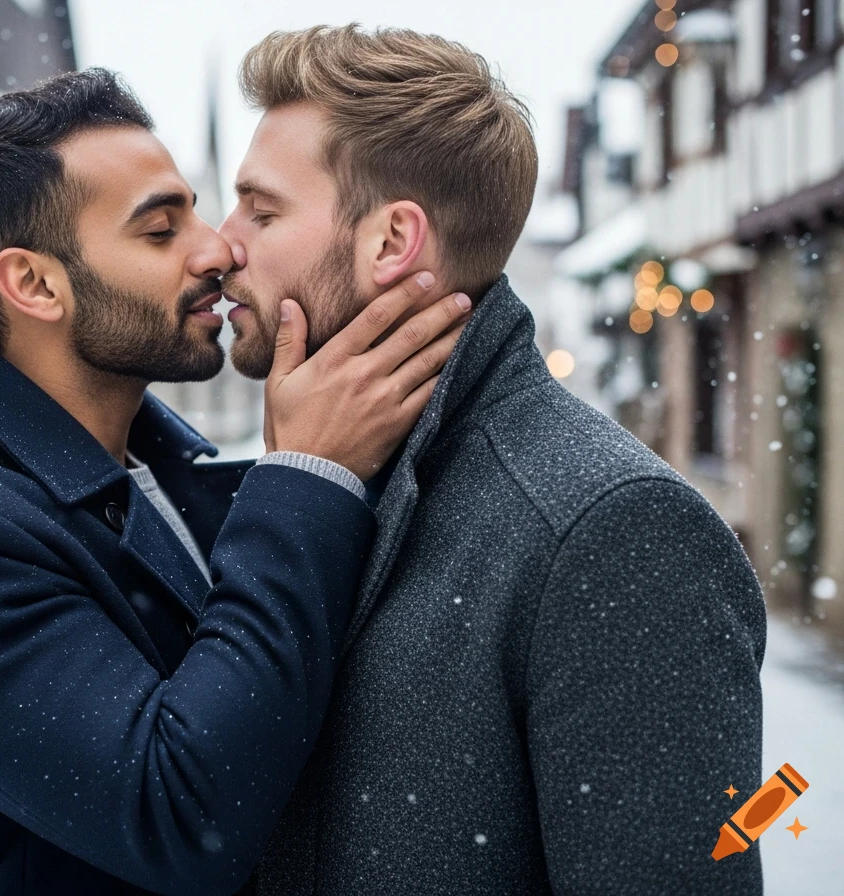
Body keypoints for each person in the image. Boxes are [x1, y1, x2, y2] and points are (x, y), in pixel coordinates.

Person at [0, 68, 468, 895]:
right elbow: (184, 815)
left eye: (196, 212)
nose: (217, 249)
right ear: (33, 284)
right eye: (160, 231)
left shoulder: (165, 471)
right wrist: (311, 476)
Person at [219, 26, 767, 895]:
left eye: (262, 209)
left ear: (393, 241)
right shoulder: (311, 483)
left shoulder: (613, 530)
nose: (222, 246)